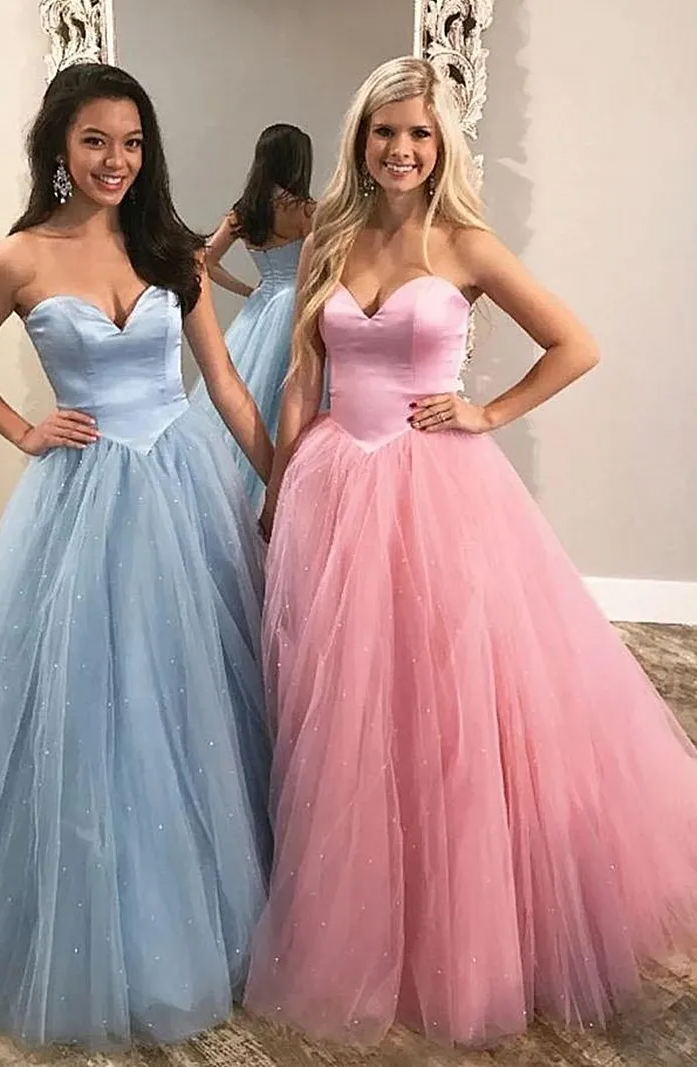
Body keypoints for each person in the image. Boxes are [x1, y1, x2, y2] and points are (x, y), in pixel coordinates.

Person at [244, 56, 697, 1047]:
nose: (401, 149)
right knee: (346, 699)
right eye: (384, 132)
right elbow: (301, 373)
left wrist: (486, 409)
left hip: (435, 490)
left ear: (441, 142)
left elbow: (573, 344)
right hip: (333, 483)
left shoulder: (466, 244)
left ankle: (460, 908)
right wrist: (280, 480)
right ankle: (359, 891)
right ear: (361, 140)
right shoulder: (331, 236)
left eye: (418, 132)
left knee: (446, 693)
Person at [0, 63, 273, 1049]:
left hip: (180, 489)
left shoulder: (170, 250)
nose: (117, 160)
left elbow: (225, 385)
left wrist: (284, 481)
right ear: (59, 149)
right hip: (80, 497)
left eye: (133, 142)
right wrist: (24, 429)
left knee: (190, 692)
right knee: (80, 695)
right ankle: (78, 904)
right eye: (96, 141)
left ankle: (204, 884)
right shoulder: (17, 257)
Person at [191, 124, 314, 509]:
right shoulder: (306, 211)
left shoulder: (244, 212)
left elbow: (205, 261)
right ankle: (286, 496)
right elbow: (327, 265)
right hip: (297, 306)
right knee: (295, 393)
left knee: (249, 396)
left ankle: (241, 502)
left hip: (261, 308)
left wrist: (249, 290)